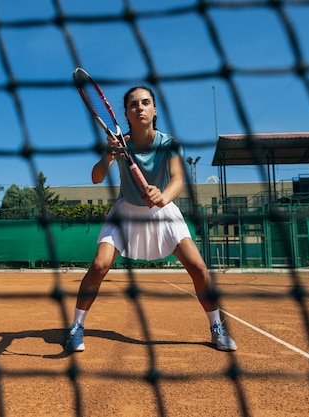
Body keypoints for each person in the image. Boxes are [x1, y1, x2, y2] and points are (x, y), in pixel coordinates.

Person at [65, 86, 236, 353]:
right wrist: (108, 155)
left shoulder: (169, 143)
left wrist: (163, 195)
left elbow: (178, 178)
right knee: (99, 266)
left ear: (154, 110)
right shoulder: (120, 146)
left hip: (163, 213)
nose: (140, 107)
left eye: (146, 103)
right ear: (125, 114)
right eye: (134, 105)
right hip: (126, 212)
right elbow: (96, 178)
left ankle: (217, 326)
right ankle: (76, 326)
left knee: (198, 268)